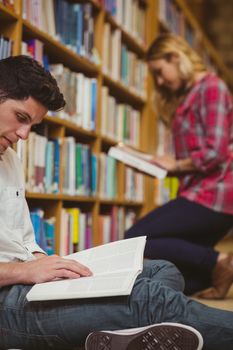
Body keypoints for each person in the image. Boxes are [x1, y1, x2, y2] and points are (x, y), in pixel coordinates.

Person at [1, 56, 233, 350]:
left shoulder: (8, 157)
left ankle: (114, 335)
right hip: (8, 305)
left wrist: (45, 261)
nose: (24, 135)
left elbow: (21, 239)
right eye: (21, 118)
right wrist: (24, 272)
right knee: (147, 299)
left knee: (162, 270)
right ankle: (128, 322)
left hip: (31, 282)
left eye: (32, 125)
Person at [125, 33, 233, 299]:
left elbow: (216, 152)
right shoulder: (189, 96)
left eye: (160, 72)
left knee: (134, 237)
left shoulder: (211, 87)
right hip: (198, 192)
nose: (160, 81)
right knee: (186, 282)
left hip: (216, 193)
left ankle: (221, 260)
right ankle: (212, 267)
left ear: (175, 57)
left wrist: (175, 165)